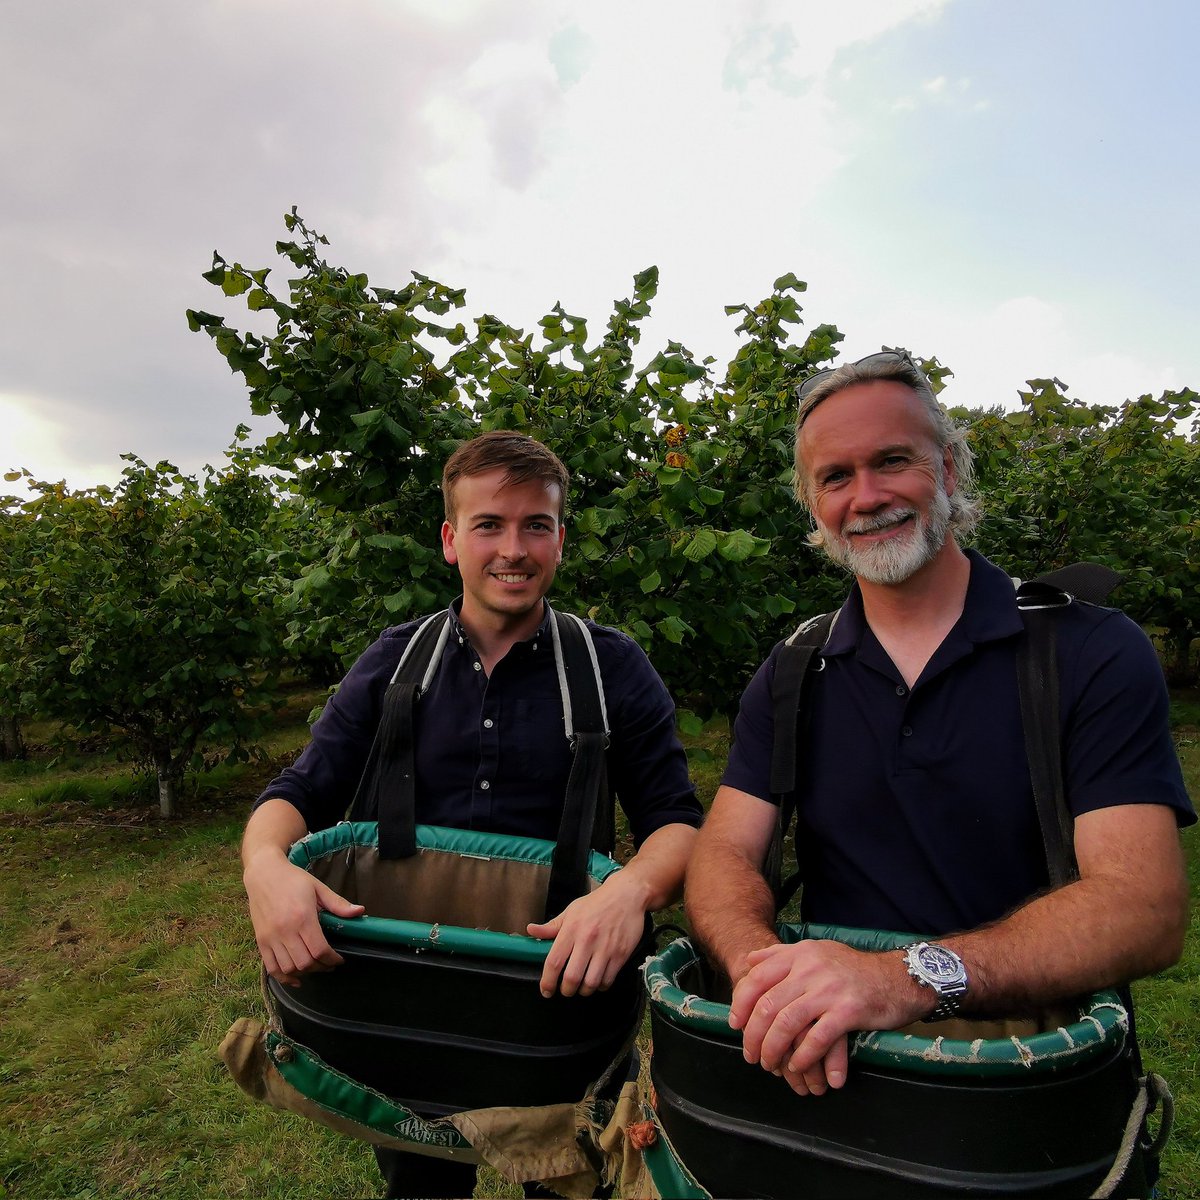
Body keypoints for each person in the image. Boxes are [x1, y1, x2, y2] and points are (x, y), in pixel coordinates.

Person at [685, 348, 1193, 1104]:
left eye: (894, 460)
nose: (867, 496)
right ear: (813, 506)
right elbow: (724, 851)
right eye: (834, 477)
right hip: (834, 1071)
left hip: (1024, 1081)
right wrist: (764, 972)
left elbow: (1142, 906)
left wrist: (902, 978)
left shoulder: (1084, 649)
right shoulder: (795, 669)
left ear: (950, 471)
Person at [241, 430, 702, 1198]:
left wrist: (630, 891)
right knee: (420, 1180)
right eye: (489, 525)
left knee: (566, 1177)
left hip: (556, 992)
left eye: (536, 525)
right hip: (411, 994)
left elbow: (677, 821)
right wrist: (265, 868)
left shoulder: (610, 667)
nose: (512, 549)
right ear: (451, 540)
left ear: (562, 538)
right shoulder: (395, 662)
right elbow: (300, 790)